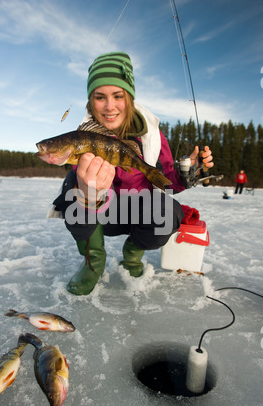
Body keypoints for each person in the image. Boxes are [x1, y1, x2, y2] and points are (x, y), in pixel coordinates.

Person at [51, 52, 214, 295]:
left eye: (118, 96)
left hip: (136, 214)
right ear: (90, 101)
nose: (109, 106)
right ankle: (93, 262)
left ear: (129, 98)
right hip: (100, 215)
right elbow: (79, 200)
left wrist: (186, 172)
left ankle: (132, 256)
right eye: (100, 97)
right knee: (71, 189)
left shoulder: (152, 138)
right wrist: (87, 194)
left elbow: (166, 183)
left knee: (168, 212)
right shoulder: (82, 137)